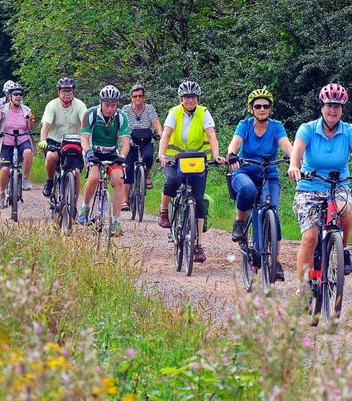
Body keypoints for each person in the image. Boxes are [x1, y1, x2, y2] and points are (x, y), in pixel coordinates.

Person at [287, 83, 352, 289]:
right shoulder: (308, 128)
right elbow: (297, 150)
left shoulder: (349, 130)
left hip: (339, 184)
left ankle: (343, 248)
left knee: (344, 208)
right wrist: (294, 166)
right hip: (309, 186)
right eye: (329, 105)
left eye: (337, 106)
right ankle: (302, 287)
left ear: (342, 110)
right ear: (321, 107)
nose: (332, 110)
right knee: (310, 238)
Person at [226, 88, 293, 281]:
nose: (262, 109)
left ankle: (275, 261)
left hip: (268, 174)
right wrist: (232, 154)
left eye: (266, 106)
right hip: (244, 171)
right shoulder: (244, 125)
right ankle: (239, 221)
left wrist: (295, 159)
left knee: (273, 212)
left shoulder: (276, 126)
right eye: (258, 106)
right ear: (251, 108)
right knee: (248, 190)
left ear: (270, 109)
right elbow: (235, 142)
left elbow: (286, 145)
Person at [157, 81, 225, 262]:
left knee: (199, 200)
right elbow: (166, 135)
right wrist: (162, 154)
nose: (190, 100)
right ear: (181, 99)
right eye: (187, 97)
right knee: (171, 182)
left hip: (197, 161)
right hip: (175, 159)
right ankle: (164, 211)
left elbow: (212, 136)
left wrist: (216, 156)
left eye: (193, 97)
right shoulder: (174, 113)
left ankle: (198, 246)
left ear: (197, 99)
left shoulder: (204, 113)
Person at [77, 85, 131, 237]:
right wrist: (88, 153)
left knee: (119, 180)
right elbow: (84, 137)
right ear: (101, 102)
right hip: (93, 151)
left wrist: (123, 157)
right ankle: (85, 207)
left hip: (112, 153)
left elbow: (126, 142)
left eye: (113, 105)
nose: (110, 109)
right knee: (94, 178)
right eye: (107, 105)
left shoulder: (121, 116)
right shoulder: (90, 113)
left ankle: (115, 221)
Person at [37, 77, 88, 199]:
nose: (67, 94)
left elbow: (85, 123)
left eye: (70, 91)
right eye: (64, 91)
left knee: (75, 172)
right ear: (58, 92)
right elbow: (46, 125)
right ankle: (49, 181)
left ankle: (73, 206)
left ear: (74, 92)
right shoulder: (52, 105)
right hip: (55, 140)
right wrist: (43, 140)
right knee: (51, 156)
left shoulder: (80, 105)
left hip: (74, 142)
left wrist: (87, 142)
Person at [0, 82, 35, 209]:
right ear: (10, 96)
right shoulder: (3, 109)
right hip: (6, 141)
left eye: (20, 94)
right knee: (4, 169)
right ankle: (1, 194)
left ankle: (25, 179)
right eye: (15, 94)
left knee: (28, 152)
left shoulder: (26, 110)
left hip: (22, 138)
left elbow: (30, 128)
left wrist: (30, 121)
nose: (18, 97)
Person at [120, 84, 163, 210]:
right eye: (135, 96)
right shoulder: (126, 109)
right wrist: (122, 134)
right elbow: (122, 123)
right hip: (131, 141)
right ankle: (125, 200)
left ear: (144, 97)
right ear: (131, 97)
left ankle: (147, 176)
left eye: (140, 96)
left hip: (146, 139)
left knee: (149, 156)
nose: (138, 98)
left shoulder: (149, 108)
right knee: (127, 169)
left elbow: (155, 121)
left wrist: (160, 132)